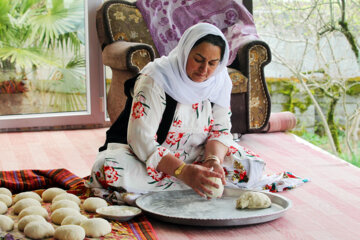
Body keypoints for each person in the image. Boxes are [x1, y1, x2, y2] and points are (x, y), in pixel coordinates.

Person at [86, 23, 266, 203]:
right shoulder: (155, 78)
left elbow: (221, 130)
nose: (204, 70)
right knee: (109, 168)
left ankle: (176, 185)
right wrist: (182, 171)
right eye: (198, 59)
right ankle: (192, 183)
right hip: (150, 157)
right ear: (185, 52)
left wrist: (213, 160)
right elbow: (141, 141)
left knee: (250, 165)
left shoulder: (219, 80)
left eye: (212, 63)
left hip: (196, 155)